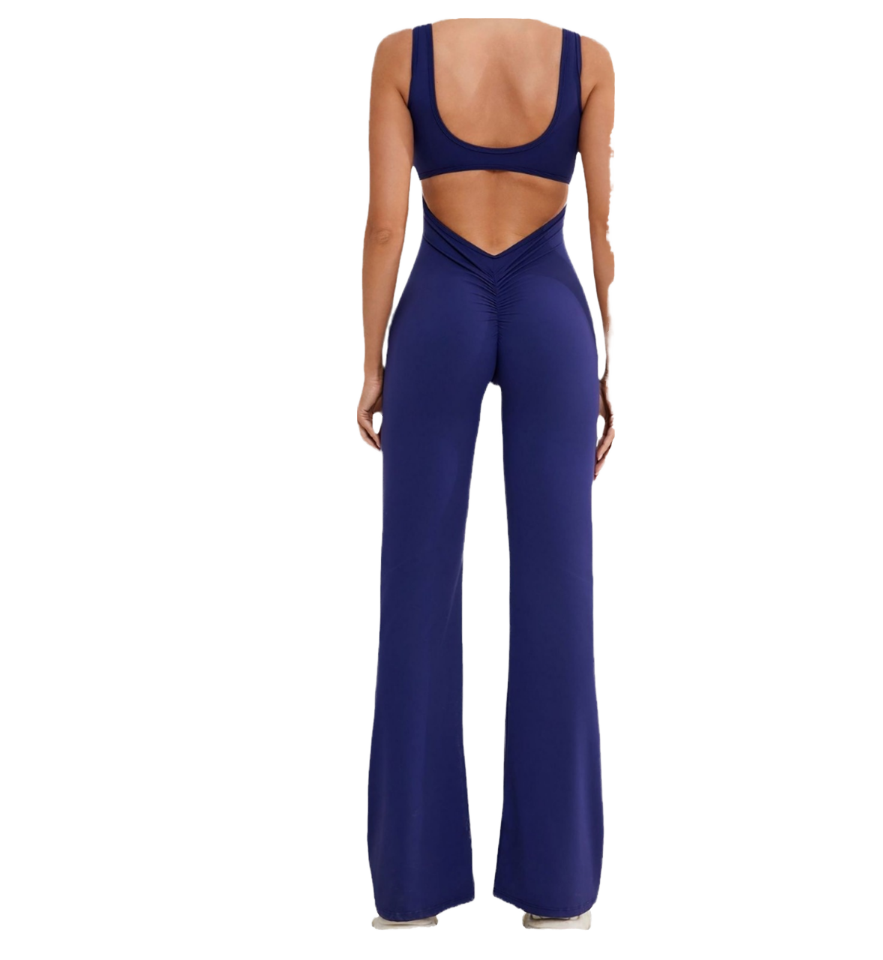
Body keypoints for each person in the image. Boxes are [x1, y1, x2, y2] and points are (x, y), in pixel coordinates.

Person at [358, 18, 615, 930]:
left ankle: (409, 894)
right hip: (550, 307)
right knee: (558, 592)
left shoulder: (403, 55)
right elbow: (604, 227)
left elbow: (386, 225)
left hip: (440, 301)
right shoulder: (587, 61)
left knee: (416, 588)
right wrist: (608, 364)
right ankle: (559, 895)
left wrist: (371, 362)